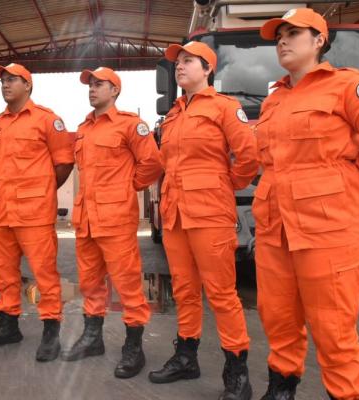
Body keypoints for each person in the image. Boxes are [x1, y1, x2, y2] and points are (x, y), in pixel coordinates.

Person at [254, 8, 359, 400]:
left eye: (292, 33)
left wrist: (344, 177)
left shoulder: (346, 87)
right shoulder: (274, 100)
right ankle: (281, 389)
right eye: (278, 35)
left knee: (333, 327)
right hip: (275, 227)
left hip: (327, 227)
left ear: (318, 40)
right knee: (278, 317)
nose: (282, 41)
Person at [147, 42, 258, 400]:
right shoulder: (174, 114)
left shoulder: (225, 108)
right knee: (184, 290)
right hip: (176, 216)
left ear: (207, 69)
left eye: (188, 61)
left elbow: (249, 156)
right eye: (177, 63)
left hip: (210, 214)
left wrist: (224, 185)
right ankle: (186, 357)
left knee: (222, 295)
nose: (179, 67)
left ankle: (237, 371)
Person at [61, 67, 163, 379]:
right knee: (91, 283)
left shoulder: (131, 125)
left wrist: (126, 188)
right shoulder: (84, 128)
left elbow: (153, 163)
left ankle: (134, 347)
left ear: (114, 90)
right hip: (87, 219)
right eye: (90, 84)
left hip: (115, 219)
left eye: (99, 84)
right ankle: (93, 338)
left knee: (128, 285)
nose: (92, 89)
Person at [0, 63, 74, 362]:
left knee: (44, 274)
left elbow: (64, 163)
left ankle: (50, 330)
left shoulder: (47, 120)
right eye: (2, 81)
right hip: (1, 211)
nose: (5, 84)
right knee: (4, 273)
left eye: (12, 80)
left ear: (28, 85)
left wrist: (41, 192)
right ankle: (8, 325)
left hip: (33, 212)